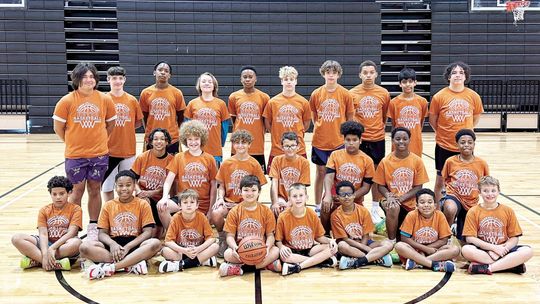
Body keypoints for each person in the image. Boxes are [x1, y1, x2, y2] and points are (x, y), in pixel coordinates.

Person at [52, 62, 116, 241]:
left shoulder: (105, 99)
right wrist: (72, 142)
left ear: (96, 79)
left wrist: (99, 140)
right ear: (77, 79)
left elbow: (110, 125)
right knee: (76, 191)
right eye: (84, 76)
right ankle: (74, 228)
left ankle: (93, 226)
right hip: (75, 156)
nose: (88, 79)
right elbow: (58, 128)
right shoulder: (67, 101)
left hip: (99, 155)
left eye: (91, 76)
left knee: (95, 190)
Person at [80, 170, 162, 280]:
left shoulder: (143, 204)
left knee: (155, 243)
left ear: (134, 186)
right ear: (115, 187)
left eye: (128, 185)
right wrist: (113, 244)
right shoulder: (108, 205)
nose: (124, 188)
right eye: (120, 185)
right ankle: (131, 263)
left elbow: (148, 232)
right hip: (114, 247)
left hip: (134, 245)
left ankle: (112, 267)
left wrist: (128, 247)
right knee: (84, 247)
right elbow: (102, 234)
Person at [429, 61, 484, 203]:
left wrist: (465, 135)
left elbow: (475, 119)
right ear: (448, 77)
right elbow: (433, 121)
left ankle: (463, 206)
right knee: (441, 179)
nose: (458, 75)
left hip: (465, 147)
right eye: (454, 73)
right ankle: (437, 211)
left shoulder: (474, 96)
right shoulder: (439, 97)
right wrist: (444, 133)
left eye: (461, 72)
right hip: (444, 145)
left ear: (466, 77)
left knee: (464, 177)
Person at [211, 129, 267, 257]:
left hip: (247, 203)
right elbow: (221, 185)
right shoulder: (226, 163)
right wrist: (220, 198)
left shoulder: (254, 164)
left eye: (243, 143)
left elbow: (259, 187)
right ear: (233, 145)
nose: (240, 145)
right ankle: (223, 237)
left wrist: (252, 202)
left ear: (249, 144)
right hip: (229, 202)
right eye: (237, 143)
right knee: (216, 213)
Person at [462, 176, 533, 275]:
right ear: (479, 192)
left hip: (504, 249)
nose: (490, 194)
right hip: (484, 250)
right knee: (466, 250)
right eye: (485, 191)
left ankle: (490, 267)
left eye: (493, 190)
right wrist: (494, 248)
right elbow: (470, 239)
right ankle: (510, 265)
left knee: (528, 251)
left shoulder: (508, 211)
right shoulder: (473, 211)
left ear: (499, 191)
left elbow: (514, 237)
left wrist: (502, 249)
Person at [349, 60, 391, 228]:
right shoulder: (352, 93)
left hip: (377, 138)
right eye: (365, 72)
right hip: (361, 139)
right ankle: (358, 206)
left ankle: (374, 207)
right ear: (360, 75)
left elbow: (384, 117)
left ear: (376, 74)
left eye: (371, 72)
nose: (368, 75)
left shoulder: (383, 93)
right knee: (358, 173)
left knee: (376, 175)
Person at [310, 60, 355, 211]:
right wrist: (322, 127)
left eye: (334, 72)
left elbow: (350, 116)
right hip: (320, 141)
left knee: (338, 174)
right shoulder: (316, 93)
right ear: (323, 74)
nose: (331, 75)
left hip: (338, 141)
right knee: (320, 173)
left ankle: (338, 204)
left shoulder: (345, 94)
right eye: (328, 72)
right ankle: (317, 206)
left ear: (338, 74)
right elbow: (314, 115)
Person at [12, 176, 82, 271]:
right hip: (46, 243)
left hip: (63, 245)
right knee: (16, 238)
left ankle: (37, 260)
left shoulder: (76, 209)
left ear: (69, 193)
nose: (58, 197)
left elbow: (71, 233)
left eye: (61, 194)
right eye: (54, 194)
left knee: (77, 243)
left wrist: (52, 248)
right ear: (50, 194)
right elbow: (43, 234)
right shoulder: (44, 210)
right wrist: (45, 253)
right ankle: (51, 262)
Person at [158, 120, 217, 232]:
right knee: (161, 207)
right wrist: (165, 197)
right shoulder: (179, 157)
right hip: (183, 200)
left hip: (202, 202)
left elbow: (214, 186)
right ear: (185, 140)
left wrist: (210, 210)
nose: (193, 142)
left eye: (196, 139)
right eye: (190, 139)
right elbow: (168, 181)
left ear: (202, 139)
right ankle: (174, 235)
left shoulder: (209, 159)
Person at [373, 127, 429, 243]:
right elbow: (380, 186)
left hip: (410, 201)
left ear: (409, 140)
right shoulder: (385, 161)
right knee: (393, 207)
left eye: (405, 139)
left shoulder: (417, 161)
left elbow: (419, 187)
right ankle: (391, 241)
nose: (401, 142)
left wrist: (403, 197)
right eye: (398, 139)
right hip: (390, 199)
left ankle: (386, 224)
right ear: (392, 140)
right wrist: (389, 196)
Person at [219, 175, 281, 277]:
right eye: (246, 190)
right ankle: (266, 265)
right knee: (227, 254)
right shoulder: (235, 211)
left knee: (276, 251)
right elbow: (229, 236)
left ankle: (240, 269)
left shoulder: (266, 211)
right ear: (240, 191)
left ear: (259, 192)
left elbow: (270, 235)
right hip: (242, 250)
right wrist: (234, 247)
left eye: (253, 190)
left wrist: (267, 248)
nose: (249, 193)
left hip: (260, 250)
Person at [321, 121, 375, 234]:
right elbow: (329, 177)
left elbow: (366, 188)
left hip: (355, 199)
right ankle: (324, 234)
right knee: (325, 205)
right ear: (344, 140)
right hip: (336, 196)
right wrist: (328, 194)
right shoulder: (335, 155)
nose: (351, 143)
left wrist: (350, 197)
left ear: (360, 141)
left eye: (354, 140)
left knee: (356, 230)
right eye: (348, 140)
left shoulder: (367, 160)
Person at [101, 66, 144, 202]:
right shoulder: (103, 99)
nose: (117, 81)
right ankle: (109, 215)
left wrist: (124, 128)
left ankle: (126, 213)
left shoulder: (132, 100)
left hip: (128, 151)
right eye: (114, 78)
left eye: (120, 78)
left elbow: (137, 123)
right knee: (107, 188)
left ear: (124, 80)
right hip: (108, 151)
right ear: (108, 80)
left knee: (128, 187)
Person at [276, 183, 338, 276]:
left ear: (306, 197)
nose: (298, 199)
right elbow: (278, 240)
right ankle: (319, 261)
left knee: (331, 248)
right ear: (289, 199)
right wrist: (282, 247)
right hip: (293, 251)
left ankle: (298, 266)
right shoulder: (283, 216)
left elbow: (318, 237)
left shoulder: (312, 214)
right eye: (294, 196)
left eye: (301, 195)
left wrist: (330, 240)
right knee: (284, 256)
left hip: (310, 249)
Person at [331, 181, 393, 270]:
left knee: (388, 244)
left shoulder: (363, 211)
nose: (346, 197)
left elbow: (366, 235)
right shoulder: (335, 215)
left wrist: (364, 248)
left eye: (349, 194)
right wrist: (368, 250)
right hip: (350, 246)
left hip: (365, 243)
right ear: (337, 197)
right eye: (342, 194)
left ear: (354, 195)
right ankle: (375, 258)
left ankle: (356, 261)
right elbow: (345, 239)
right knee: (341, 245)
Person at [394, 188, 459, 272]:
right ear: (416, 205)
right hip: (414, 250)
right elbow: (404, 238)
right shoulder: (411, 215)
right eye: (422, 202)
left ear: (435, 205)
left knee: (455, 249)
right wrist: (425, 249)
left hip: (433, 251)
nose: (426, 205)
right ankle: (433, 264)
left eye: (429, 202)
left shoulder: (440, 215)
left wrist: (428, 249)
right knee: (399, 246)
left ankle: (417, 262)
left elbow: (444, 240)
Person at [441, 129, 489, 241]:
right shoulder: (450, 161)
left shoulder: (481, 163)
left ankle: (457, 227)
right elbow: (445, 180)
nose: (466, 145)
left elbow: (485, 184)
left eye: (469, 142)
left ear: (474, 144)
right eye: (462, 142)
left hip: (472, 201)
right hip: (454, 196)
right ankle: (445, 237)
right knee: (450, 207)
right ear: (457, 144)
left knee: (465, 240)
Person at [262, 66, 311, 171]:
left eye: (291, 79)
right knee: (275, 180)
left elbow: (306, 124)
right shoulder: (273, 102)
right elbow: (267, 123)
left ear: (296, 81)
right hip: (278, 149)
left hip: (298, 149)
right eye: (286, 79)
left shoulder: (303, 102)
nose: (289, 82)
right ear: (281, 81)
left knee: (298, 181)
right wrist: (276, 133)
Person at [158, 189, 219, 273]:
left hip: (197, 250)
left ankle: (181, 265)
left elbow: (211, 238)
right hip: (181, 251)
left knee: (215, 247)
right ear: (179, 205)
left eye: (192, 202)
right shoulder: (175, 218)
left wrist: (198, 249)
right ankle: (202, 261)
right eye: (185, 203)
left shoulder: (202, 217)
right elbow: (168, 241)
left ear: (197, 205)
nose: (189, 205)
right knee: (165, 251)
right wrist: (184, 251)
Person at [130, 128, 174, 238]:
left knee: (155, 236)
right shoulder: (142, 157)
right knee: (144, 201)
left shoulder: (171, 160)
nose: (159, 142)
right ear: (151, 142)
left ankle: (162, 228)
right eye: (155, 139)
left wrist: (153, 192)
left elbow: (170, 184)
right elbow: (132, 179)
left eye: (162, 139)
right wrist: (139, 191)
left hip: (159, 200)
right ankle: (139, 227)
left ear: (167, 142)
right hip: (143, 197)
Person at [228, 65, 270, 172]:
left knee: (257, 178)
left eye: (250, 77)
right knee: (237, 174)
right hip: (239, 144)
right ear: (241, 79)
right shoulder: (233, 97)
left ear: (255, 79)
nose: (247, 79)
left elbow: (265, 121)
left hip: (257, 144)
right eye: (245, 77)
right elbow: (234, 119)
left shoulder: (264, 97)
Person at [139, 61, 186, 154]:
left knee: (173, 168)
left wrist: (175, 132)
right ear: (154, 72)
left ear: (169, 75)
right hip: (152, 139)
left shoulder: (176, 93)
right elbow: (143, 116)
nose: (163, 72)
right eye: (160, 70)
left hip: (172, 140)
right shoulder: (146, 93)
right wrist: (149, 131)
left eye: (166, 71)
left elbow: (181, 116)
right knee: (152, 168)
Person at [184, 72, 231, 166]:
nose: (207, 83)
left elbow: (224, 128)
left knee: (214, 180)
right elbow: (187, 128)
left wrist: (220, 143)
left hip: (215, 150)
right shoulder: (192, 103)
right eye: (203, 81)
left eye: (210, 81)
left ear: (214, 86)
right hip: (196, 149)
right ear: (199, 86)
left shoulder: (221, 104)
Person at [387, 67, 428, 157]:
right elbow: (394, 125)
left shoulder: (422, 101)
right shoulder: (394, 102)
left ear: (415, 82)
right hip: (399, 143)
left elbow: (421, 123)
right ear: (400, 84)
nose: (407, 84)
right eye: (404, 82)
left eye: (410, 81)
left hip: (415, 143)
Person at [268, 132, 311, 218]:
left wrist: (290, 203)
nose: (290, 148)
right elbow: (274, 183)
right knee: (277, 210)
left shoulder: (304, 162)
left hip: (297, 196)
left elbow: (302, 187)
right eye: (287, 146)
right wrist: (275, 202)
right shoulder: (277, 160)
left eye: (293, 145)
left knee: (296, 210)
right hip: (281, 197)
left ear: (298, 147)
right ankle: (277, 230)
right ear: (282, 147)